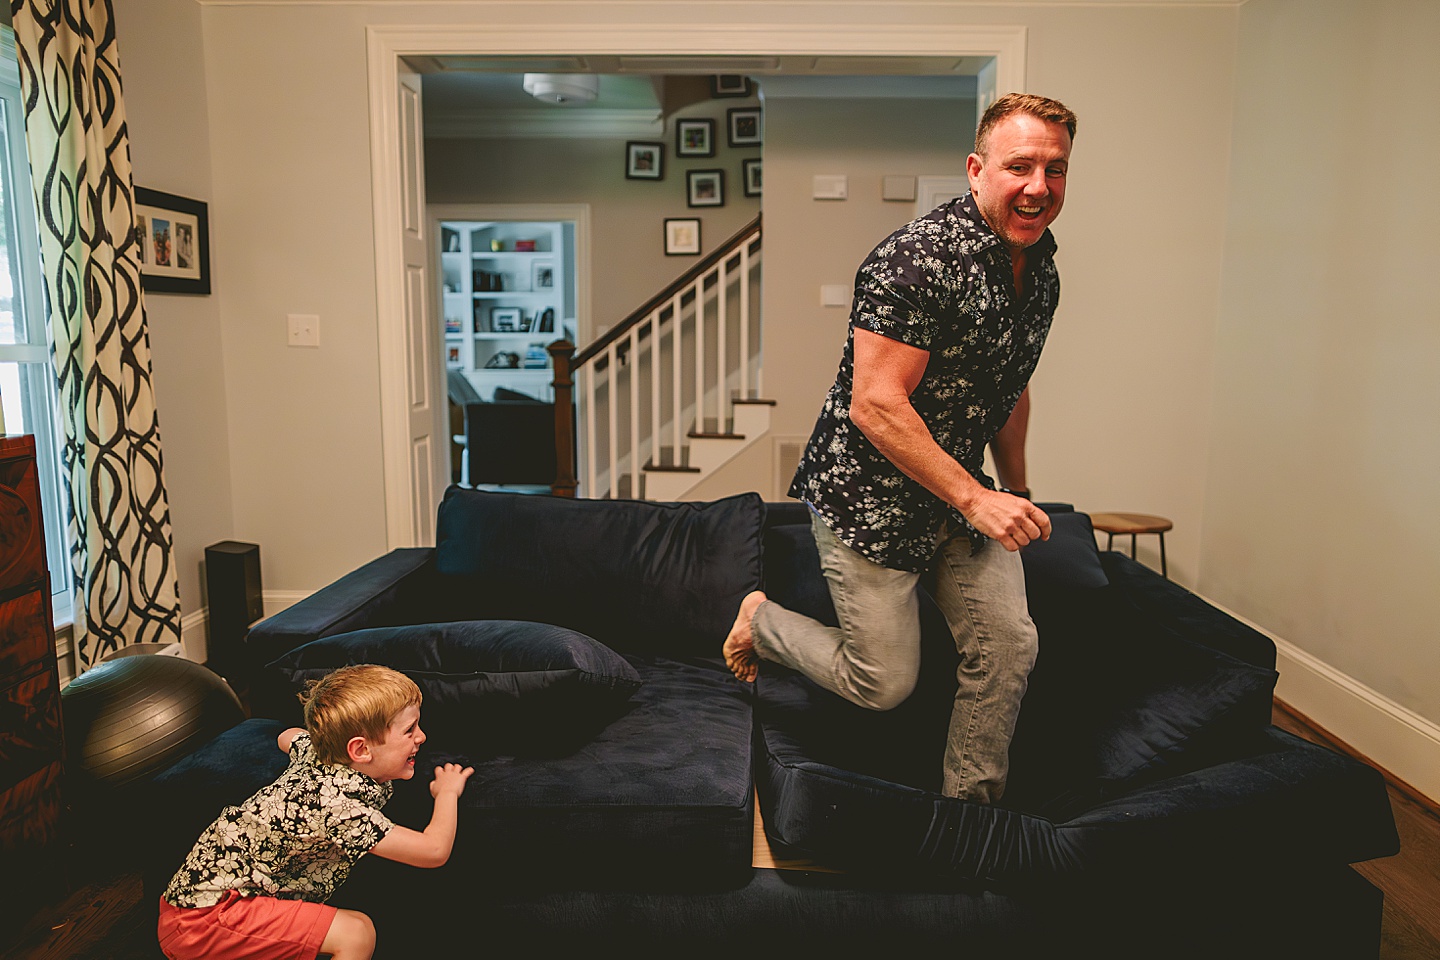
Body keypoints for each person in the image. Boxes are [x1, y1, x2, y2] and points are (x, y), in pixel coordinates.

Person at [724, 92, 1077, 804]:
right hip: (870, 495)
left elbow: (1008, 389)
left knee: (1010, 646)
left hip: (959, 492)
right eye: (1020, 167)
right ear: (977, 170)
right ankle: (760, 622)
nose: (1039, 186)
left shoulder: (1040, 273)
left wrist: (1016, 492)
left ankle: (967, 820)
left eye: (1056, 169)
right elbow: (875, 404)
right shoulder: (914, 260)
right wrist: (980, 498)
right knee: (882, 684)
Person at [156, 664, 475, 960]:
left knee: (355, 925)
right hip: (205, 919)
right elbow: (433, 851)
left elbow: (289, 736)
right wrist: (447, 792)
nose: (422, 736)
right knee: (355, 934)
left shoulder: (315, 749)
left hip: (197, 906)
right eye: (409, 731)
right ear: (360, 750)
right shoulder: (339, 809)